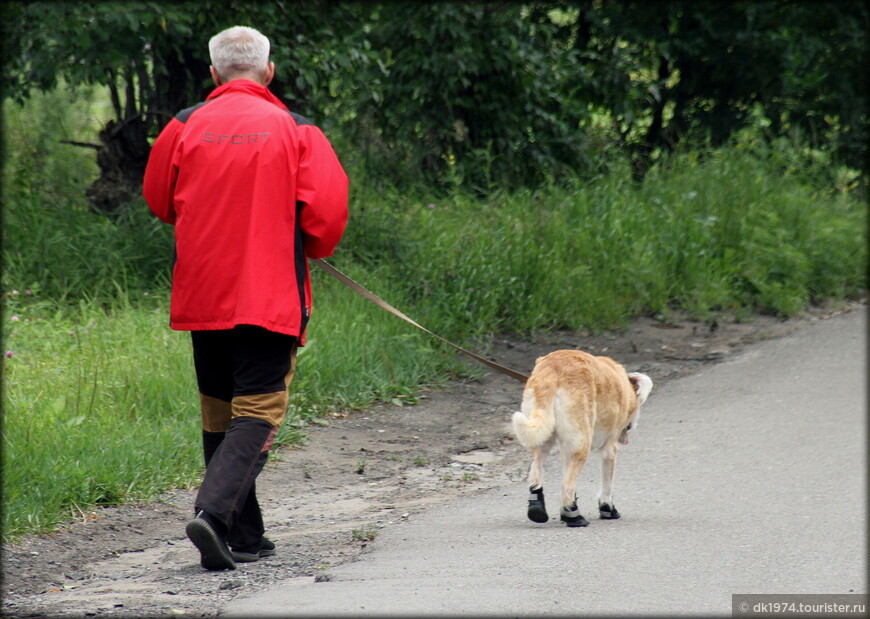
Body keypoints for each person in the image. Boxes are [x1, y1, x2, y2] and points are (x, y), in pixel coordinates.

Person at [142, 26, 348, 570]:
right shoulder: (299, 131)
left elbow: (160, 200)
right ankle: (211, 516)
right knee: (258, 410)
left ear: (213, 74)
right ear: (269, 71)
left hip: (203, 292)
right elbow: (326, 222)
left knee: (220, 411)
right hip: (269, 295)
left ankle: (243, 535)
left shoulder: (183, 126)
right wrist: (300, 237)